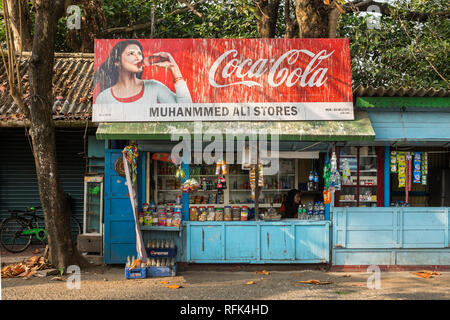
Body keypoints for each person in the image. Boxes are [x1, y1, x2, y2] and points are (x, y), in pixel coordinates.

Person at [94, 39, 192, 106]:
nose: (138, 57)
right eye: (131, 53)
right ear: (117, 62)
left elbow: (186, 111)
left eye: (140, 54)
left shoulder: (154, 87)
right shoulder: (104, 97)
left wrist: (174, 69)